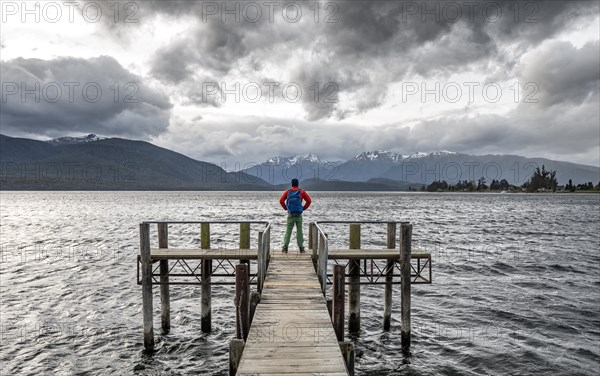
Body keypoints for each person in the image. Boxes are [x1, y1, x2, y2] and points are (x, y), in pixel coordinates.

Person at [279, 178, 312, 253]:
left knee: (288, 230)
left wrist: (285, 208)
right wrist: (303, 208)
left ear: (291, 184)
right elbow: (309, 201)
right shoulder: (302, 192)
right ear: (298, 184)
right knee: (299, 230)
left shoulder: (288, 192)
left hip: (290, 214)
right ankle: (301, 248)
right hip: (299, 214)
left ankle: (285, 247)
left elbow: (281, 200)